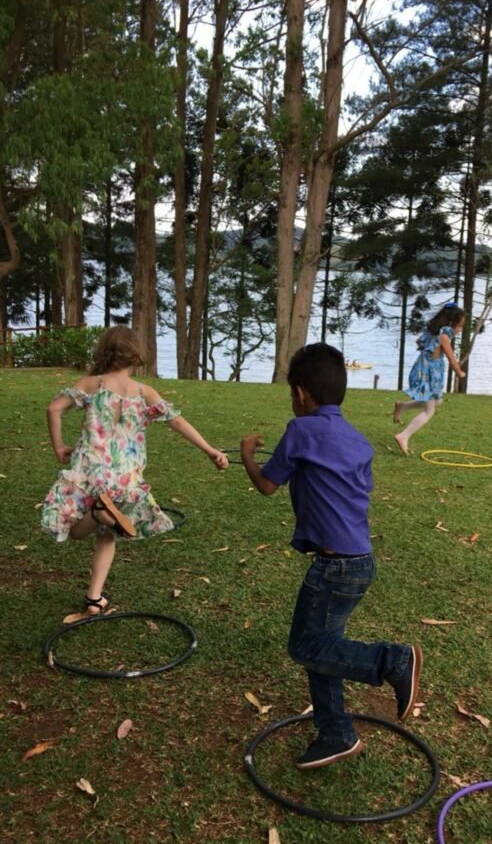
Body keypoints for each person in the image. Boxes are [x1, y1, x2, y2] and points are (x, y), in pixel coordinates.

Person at [240, 342, 422, 770]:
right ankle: (336, 732)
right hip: (361, 561)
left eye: (291, 394)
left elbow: (268, 485)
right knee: (325, 644)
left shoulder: (301, 431)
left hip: (335, 568)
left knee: (305, 645)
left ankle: (393, 661)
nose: (292, 401)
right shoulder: (357, 441)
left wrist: (247, 454)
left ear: (301, 393)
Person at [41, 325, 228, 614]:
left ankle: (95, 578)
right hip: (125, 476)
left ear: (105, 352)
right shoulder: (144, 391)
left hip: (90, 468)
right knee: (106, 533)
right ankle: (94, 595)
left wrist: (58, 447)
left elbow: (54, 409)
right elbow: (177, 421)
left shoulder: (93, 384)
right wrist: (210, 450)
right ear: (135, 355)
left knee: (80, 530)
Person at [393, 302, 466, 456]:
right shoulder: (444, 335)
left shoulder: (432, 330)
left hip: (424, 368)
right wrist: (460, 373)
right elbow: (452, 359)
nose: (461, 329)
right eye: (460, 326)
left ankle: (402, 406)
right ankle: (403, 436)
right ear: (452, 324)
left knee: (437, 401)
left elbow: (420, 343)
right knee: (429, 410)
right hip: (429, 373)